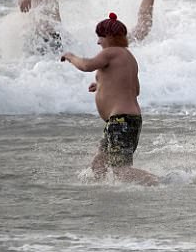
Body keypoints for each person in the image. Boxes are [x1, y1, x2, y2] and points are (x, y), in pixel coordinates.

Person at [61, 13, 158, 185]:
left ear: (111, 37)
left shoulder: (111, 53)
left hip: (121, 121)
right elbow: (135, 90)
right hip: (125, 120)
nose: (98, 42)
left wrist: (70, 56)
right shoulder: (128, 58)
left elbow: (86, 65)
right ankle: (105, 198)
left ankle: (159, 182)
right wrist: (102, 86)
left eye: (101, 37)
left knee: (121, 170)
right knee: (99, 164)